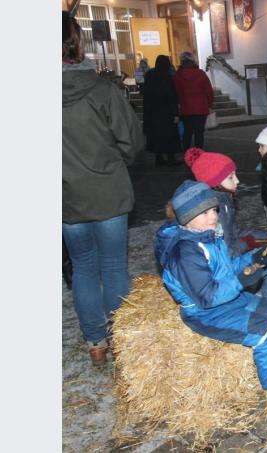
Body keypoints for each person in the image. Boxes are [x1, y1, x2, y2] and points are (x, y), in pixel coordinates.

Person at [155, 181, 267, 405]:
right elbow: (207, 296)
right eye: (204, 213)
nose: (213, 217)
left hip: (229, 299)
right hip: (205, 312)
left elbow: (227, 268)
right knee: (263, 329)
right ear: (187, 218)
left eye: (214, 210)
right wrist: (241, 278)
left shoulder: (208, 236)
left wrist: (255, 259)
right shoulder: (185, 253)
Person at [63, 12, 144, 364]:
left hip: (65, 197)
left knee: (83, 267)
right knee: (112, 267)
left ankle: (96, 341)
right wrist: (115, 162)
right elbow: (132, 141)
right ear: (77, 42)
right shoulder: (102, 89)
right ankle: (121, 337)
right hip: (107, 190)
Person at [183, 147, 267, 257]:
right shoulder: (217, 210)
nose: (237, 180)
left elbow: (235, 232)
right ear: (215, 183)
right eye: (231, 177)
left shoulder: (223, 200)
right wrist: (247, 243)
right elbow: (225, 253)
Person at [143, 55, 181, 166]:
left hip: (153, 112)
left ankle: (158, 157)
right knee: (169, 135)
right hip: (166, 113)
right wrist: (175, 112)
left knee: (156, 135)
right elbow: (171, 96)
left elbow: (146, 94)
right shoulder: (166, 76)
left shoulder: (150, 75)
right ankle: (170, 158)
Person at [174, 51, 214, 150]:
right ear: (193, 60)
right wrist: (210, 105)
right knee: (199, 132)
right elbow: (209, 91)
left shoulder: (177, 75)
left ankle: (186, 152)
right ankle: (198, 153)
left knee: (187, 132)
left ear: (181, 61)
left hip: (185, 108)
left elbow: (175, 92)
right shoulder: (201, 74)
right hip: (201, 108)